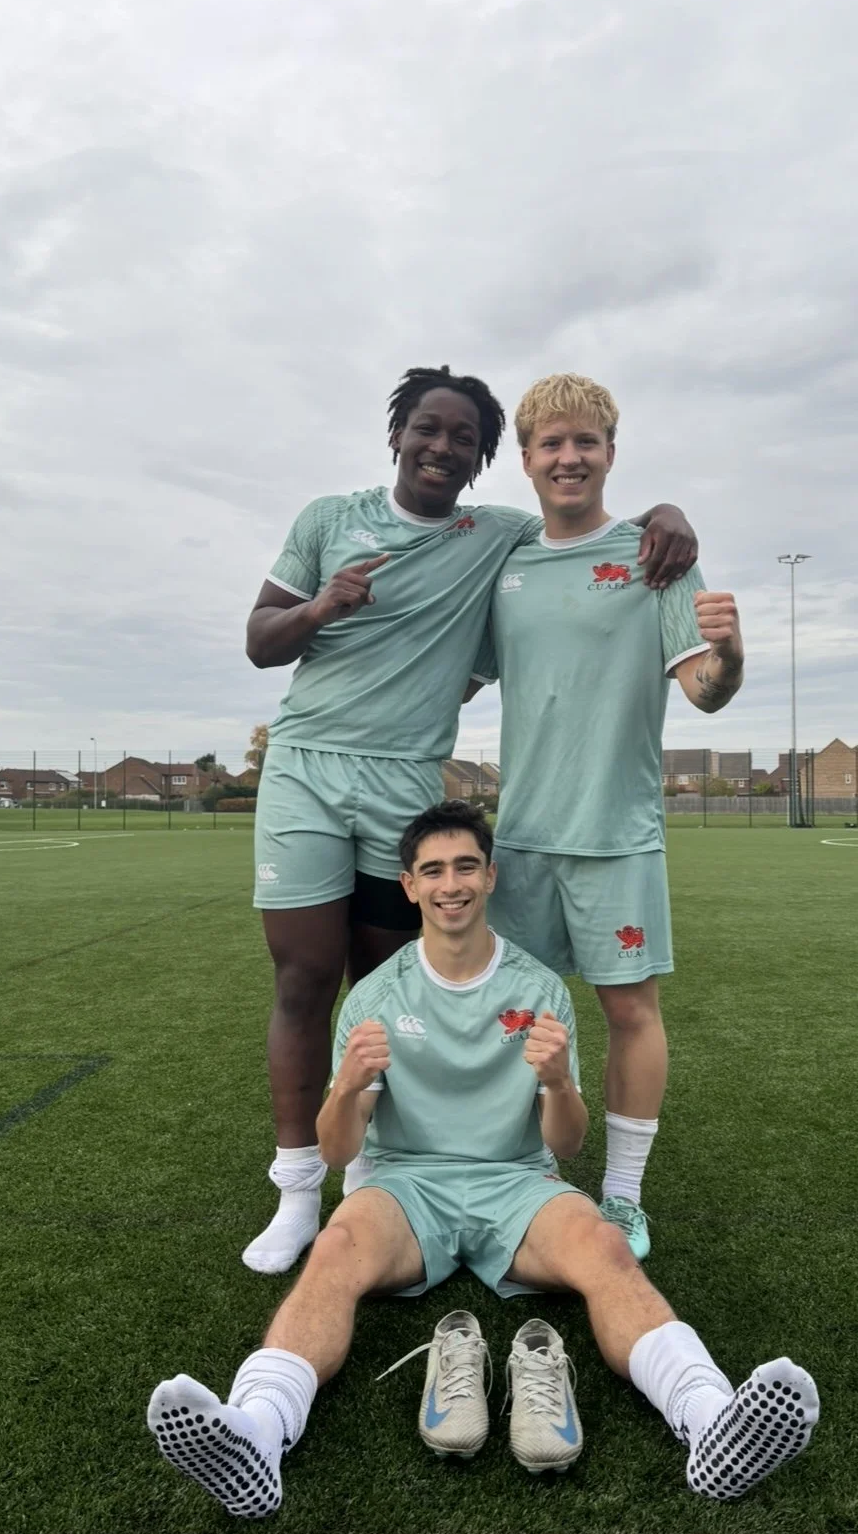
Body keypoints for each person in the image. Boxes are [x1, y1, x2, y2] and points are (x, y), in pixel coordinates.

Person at [147, 802, 819, 1518]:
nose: (451, 884)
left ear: (490, 877)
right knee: (336, 1247)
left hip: (517, 1183)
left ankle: (710, 1420)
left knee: (604, 1247)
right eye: (433, 870)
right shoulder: (374, 997)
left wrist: (558, 1082)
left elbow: (566, 1144)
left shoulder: (538, 989)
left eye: (466, 866)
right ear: (409, 886)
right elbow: (341, 1151)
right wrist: (343, 1089)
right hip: (407, 1188)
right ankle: (257, 1430)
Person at [240, 365, 699, 1273]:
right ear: (397, 433)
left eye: (463, 438)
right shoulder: (327, 519)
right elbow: (259, 640)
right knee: (303, 978)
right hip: (306, 767)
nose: (441, 447)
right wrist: (323, 605)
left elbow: (580, 509)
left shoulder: (494, 535)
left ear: (487, 459)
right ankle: (296, 1192)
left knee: (385, 986)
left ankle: (372, 1171)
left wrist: (666, 513)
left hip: (407, 783)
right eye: (427, 428)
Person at [472, 375, 745, 1260]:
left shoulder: (655, 555)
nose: (568, 457)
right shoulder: (503, 562)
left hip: (615, 832)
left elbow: (703, 690)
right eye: (551, 444)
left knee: (630, 1011)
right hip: (520, 837)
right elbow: (454, 670)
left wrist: (730, 653)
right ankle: (528, 1171)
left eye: (584, 442)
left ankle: (622, 1195)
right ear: (525, 460)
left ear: (610, 454)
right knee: (518, 1014)